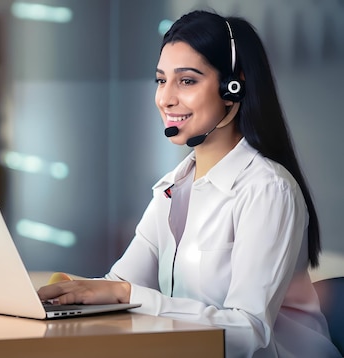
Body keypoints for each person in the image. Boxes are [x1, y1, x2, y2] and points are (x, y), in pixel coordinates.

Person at [37, 10, 340, 358]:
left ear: (233, 88)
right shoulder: (172, 189)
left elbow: (246, 333)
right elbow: (121, 283)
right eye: (161, 80)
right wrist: (67, 293)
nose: (165, 98)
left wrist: (124, 294)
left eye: (187, 81)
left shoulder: (267, 190)